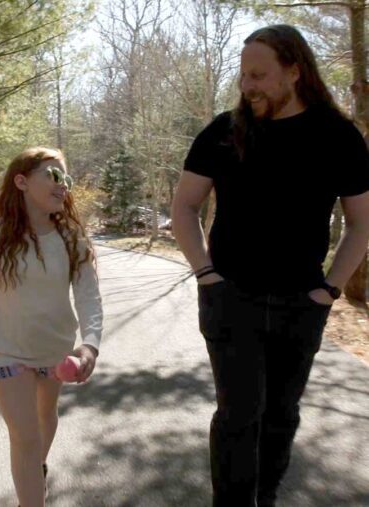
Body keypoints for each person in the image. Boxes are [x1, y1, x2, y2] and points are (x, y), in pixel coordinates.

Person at [172, 24, 369, 507]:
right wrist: (206, 275)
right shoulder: (224, 131)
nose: (247, 85)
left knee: (281, 416)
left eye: (258, 75)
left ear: (295, 72)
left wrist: (329, 291)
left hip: (300, 302)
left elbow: (360, 223)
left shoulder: (338, 136)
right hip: (230, 297)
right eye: (243, 75)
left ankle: (267, 499)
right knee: (239, 416)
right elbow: (184, 208)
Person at [0, 147, 103, 507]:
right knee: (25, 437)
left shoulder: (73, 240)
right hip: (4, 350)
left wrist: (90, 345)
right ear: (21, 181)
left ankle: (35, 469)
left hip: (55, 351)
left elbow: (89, 297)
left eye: (66, 179)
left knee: (44, 420)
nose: (63, 186)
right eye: (53, 175)